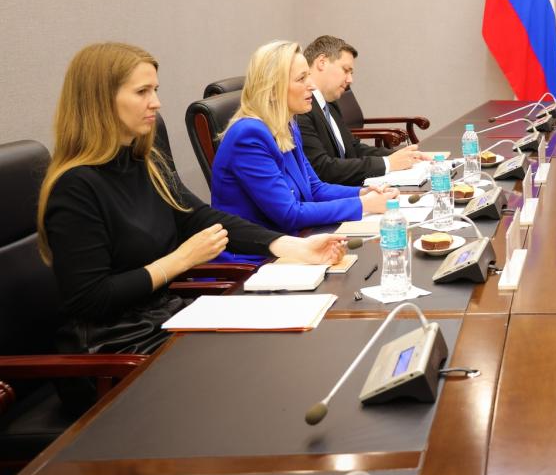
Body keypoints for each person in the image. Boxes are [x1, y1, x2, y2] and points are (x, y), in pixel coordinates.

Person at [38, 43, 346, 359]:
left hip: (164, 319)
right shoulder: (75, 186)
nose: (156, 103)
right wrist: (181, 260)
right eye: (142, 92)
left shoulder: (147, 164)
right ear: (100, 101)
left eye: (155, 90)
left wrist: (293, 247)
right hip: (118, 347)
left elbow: (203, 218)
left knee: (290, 338)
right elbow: (90, 299)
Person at [210, 41, 397, 261]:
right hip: (255, 261)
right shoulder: (249, 136)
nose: (312, 85)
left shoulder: (288, 125)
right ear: (272, 90)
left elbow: (314, 189)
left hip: (296, 243)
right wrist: (362, 205)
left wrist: (360, 193)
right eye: (301, 79)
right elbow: (288, 213)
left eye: (309, 75)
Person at [297, 35, 427, 186]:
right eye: (346, 70)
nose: (350, 80)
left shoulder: (329, 104)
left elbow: (353, 148)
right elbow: (322, 169)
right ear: (322, 62)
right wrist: (388, 163)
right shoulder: (301, 109)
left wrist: (404, 156)